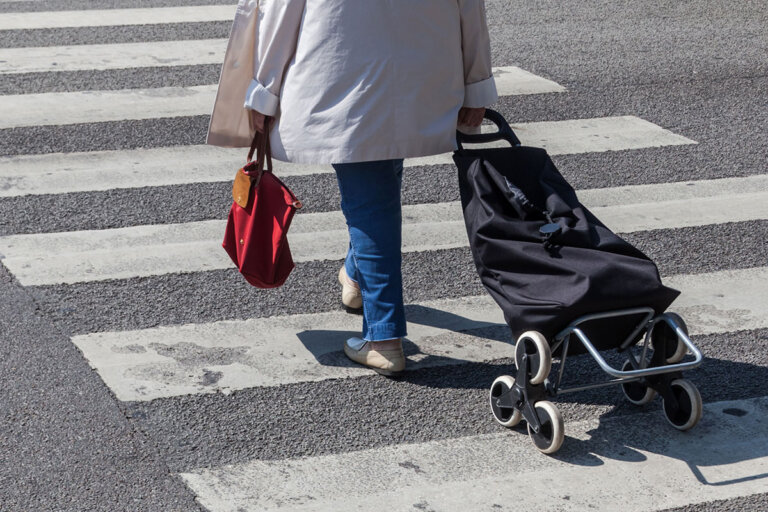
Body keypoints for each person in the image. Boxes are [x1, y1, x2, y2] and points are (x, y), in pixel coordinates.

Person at [208, 0, 497, 375]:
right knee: (379, 180)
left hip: (345, 71)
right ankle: (356, 277)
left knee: (372, 202)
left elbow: (280, 12)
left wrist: (263, 90)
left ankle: (383, 338)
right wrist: (477, 83)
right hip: (422, 64)